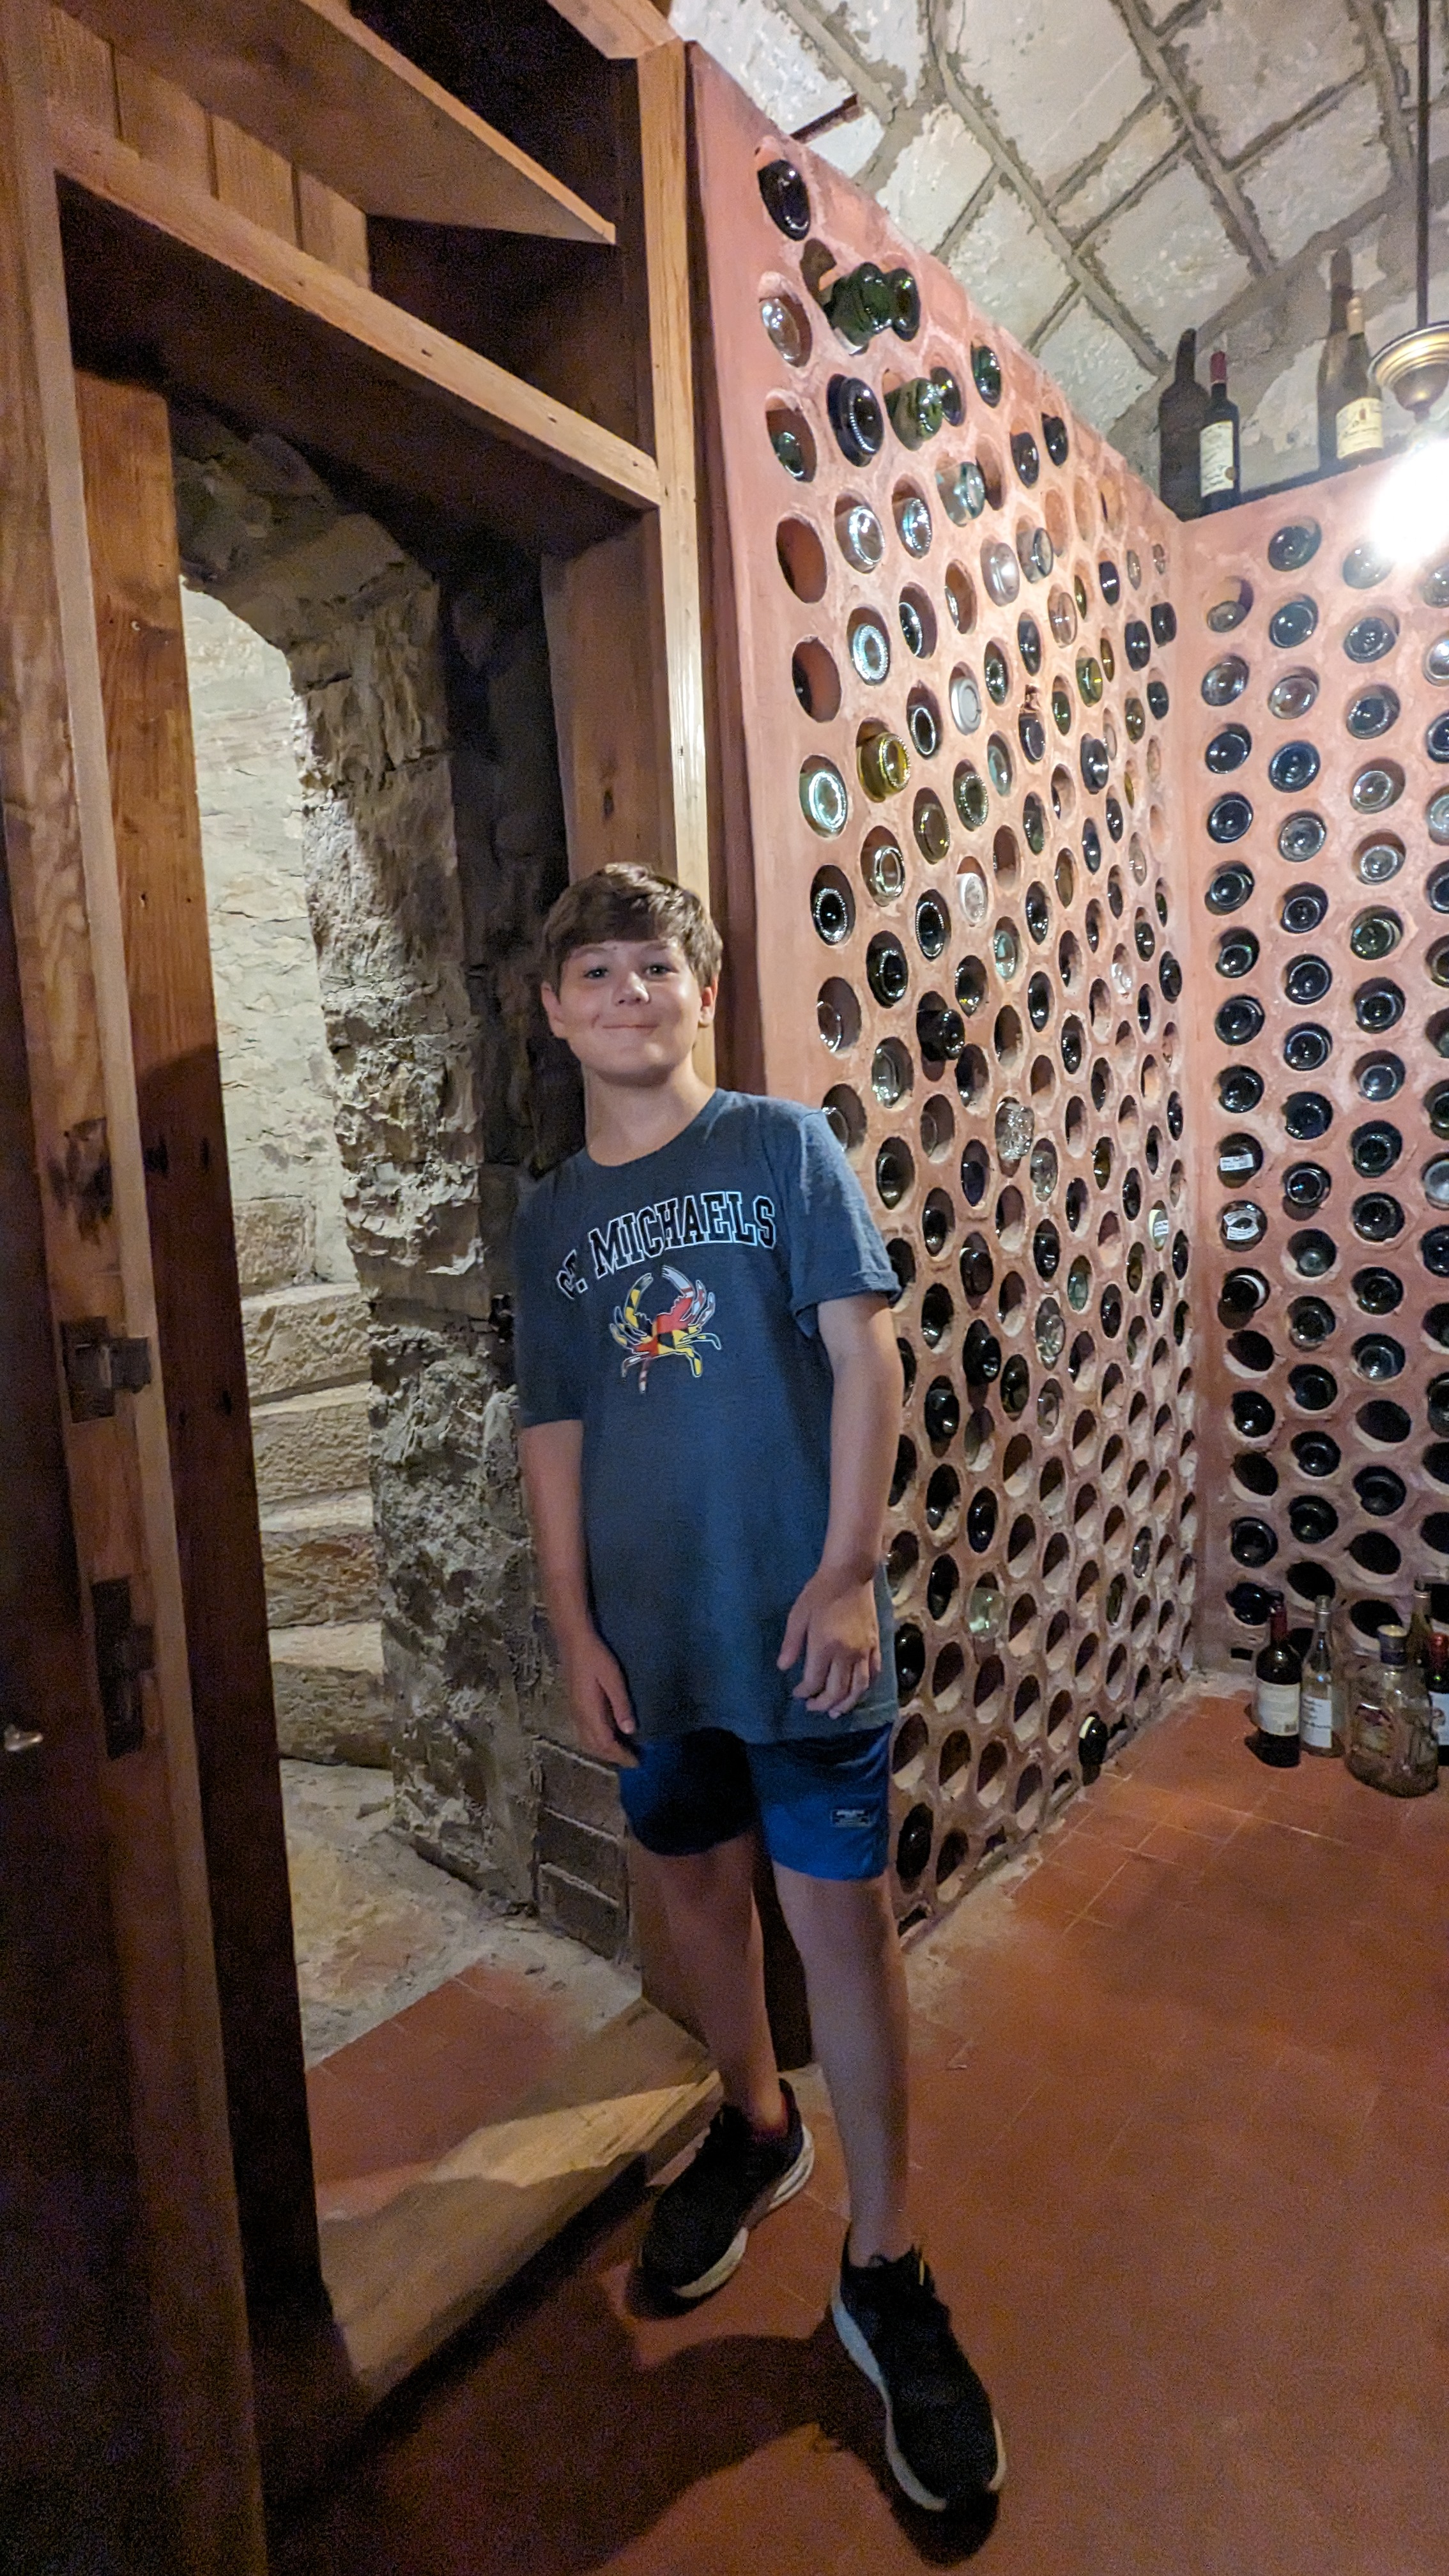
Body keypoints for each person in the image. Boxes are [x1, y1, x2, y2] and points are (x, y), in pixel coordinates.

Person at [513, 862, 1004, 2512]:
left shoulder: (780, 1149)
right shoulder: (552, 1218)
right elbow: (555, 1425)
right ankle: (753, 2122)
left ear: (701, 992)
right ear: (554, 1009)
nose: (628, 995)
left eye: (656, 967)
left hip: (801, 1632)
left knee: (837, 1929)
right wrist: (572, 1626)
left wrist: (849, 1567)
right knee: (694, 1892)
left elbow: (866, 1353)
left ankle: (886, 2260)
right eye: (597, 972)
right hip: (651, 1639)